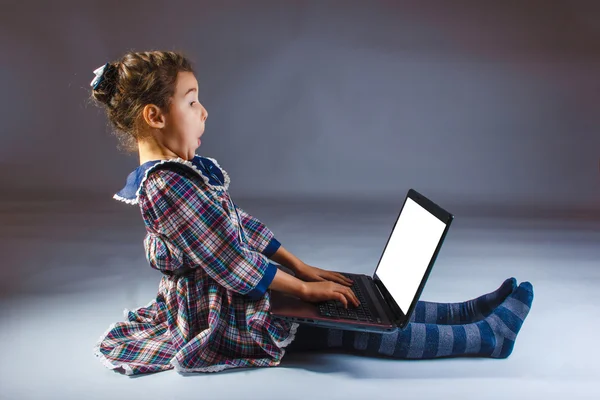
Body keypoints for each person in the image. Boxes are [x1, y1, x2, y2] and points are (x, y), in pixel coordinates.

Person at [90, 50, 534, 376]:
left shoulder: (182, 175)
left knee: (366, 300)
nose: (204, 112)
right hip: (226, 313)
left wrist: (305, 269)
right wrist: (305, 291)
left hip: (242, 291)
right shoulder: (166, 188)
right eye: (191, 102)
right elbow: (233, 263)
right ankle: (486, 337)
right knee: (362, 327)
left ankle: (464, 312)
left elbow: (241, 227)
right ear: (154, 115)